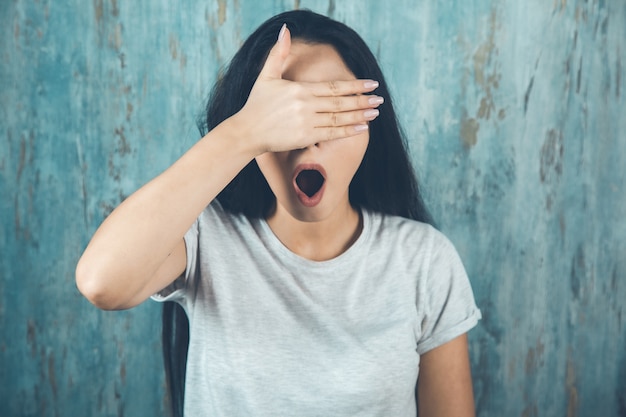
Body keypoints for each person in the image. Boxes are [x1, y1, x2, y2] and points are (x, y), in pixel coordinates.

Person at [76, 9, 481, 417]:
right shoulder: (205, 239)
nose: (307, 138)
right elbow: (102, 282)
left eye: (330, 109)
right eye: (286, 115)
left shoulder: (425, 260)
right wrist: (244, 131)